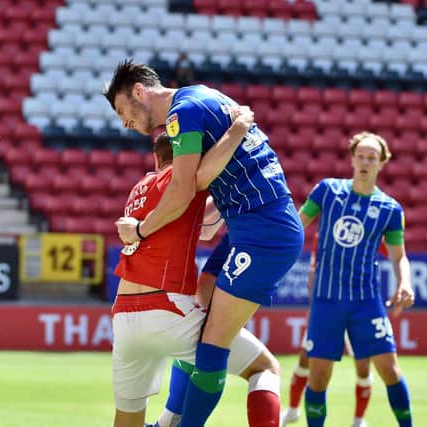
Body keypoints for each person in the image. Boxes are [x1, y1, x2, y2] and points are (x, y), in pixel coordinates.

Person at [105, 59, 304, 426]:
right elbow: (199, 197)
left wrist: (141, 229)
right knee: (208, 308)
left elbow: (185, 188)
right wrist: (238, 129)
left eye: (122, 110)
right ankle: (170, 420)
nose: (124, 123)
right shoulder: (200, 99)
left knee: (212, 349)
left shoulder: (184, 114)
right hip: (245, 225)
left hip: (261, 231)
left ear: (138, 90)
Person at [298, 132, 415, 427]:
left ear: (382, 164)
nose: (365, 162)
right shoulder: (327, 191)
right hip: (326, 301)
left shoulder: (390, 209)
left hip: (366, 302)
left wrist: (405, 283)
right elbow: (296, 227)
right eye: (360, 156)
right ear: (351, 159)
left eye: (371, 158)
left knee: (389, 370)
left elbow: (398, 255)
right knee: (319, 378)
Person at [280, 232, 388, 427]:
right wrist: (316, 309)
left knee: (363, 368)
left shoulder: (368, 230)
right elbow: (314, 273)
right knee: (306, 359)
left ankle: (358, 420)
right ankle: (293, 410)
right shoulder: (322, 235)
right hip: (329, 308)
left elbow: (393, 250)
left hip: (358, 308)